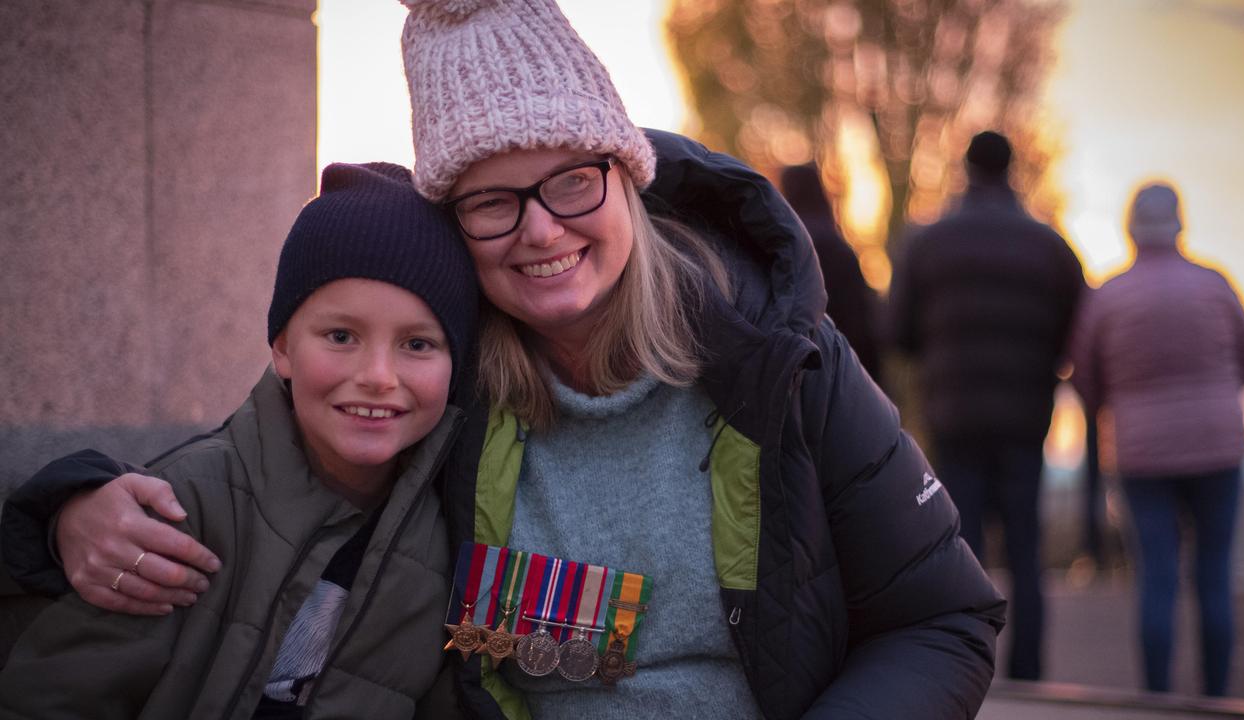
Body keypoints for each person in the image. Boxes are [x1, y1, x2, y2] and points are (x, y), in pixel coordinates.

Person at [1, 1, 1006, 717]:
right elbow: (265, 473)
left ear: (625, 176)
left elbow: (940, 619)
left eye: (570, 180)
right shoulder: (442, 392)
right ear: (455, 224)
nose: (539, 231)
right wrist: (69, 506)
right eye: (491, 198)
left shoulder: (777, 362)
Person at [0, 162, 477, 718]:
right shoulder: (180, 508)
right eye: (341, 335)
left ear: (457, 365)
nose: (377, 374)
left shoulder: (450, 540)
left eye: (418, 344)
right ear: (282, 347)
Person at [887, 130, 1084, 681]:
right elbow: (1078, 328)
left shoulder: (929, 241)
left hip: (955, 414)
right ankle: (1029, 671)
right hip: (1025, 416)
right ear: (1012, 169)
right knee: (1026, 545)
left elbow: (897, 331)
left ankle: (967, 669)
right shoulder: (1049, 246)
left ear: (967, 169)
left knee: (960, 544)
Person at [1069, 182, 1244, 696]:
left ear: (1131, 229)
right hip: (1218, 449)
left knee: (1156, 576)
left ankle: (1157, 698)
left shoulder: (1108, 296)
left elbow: (1085, 380)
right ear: (1180, 225)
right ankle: (1216, 697)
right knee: (1214, 574)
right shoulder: (1214, 284)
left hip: (1142, 455)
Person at [779, 163, 883, 383]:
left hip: (798, 373)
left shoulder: (782, 249)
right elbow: (861, 322)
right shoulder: (840, 248)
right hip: (844, 371)